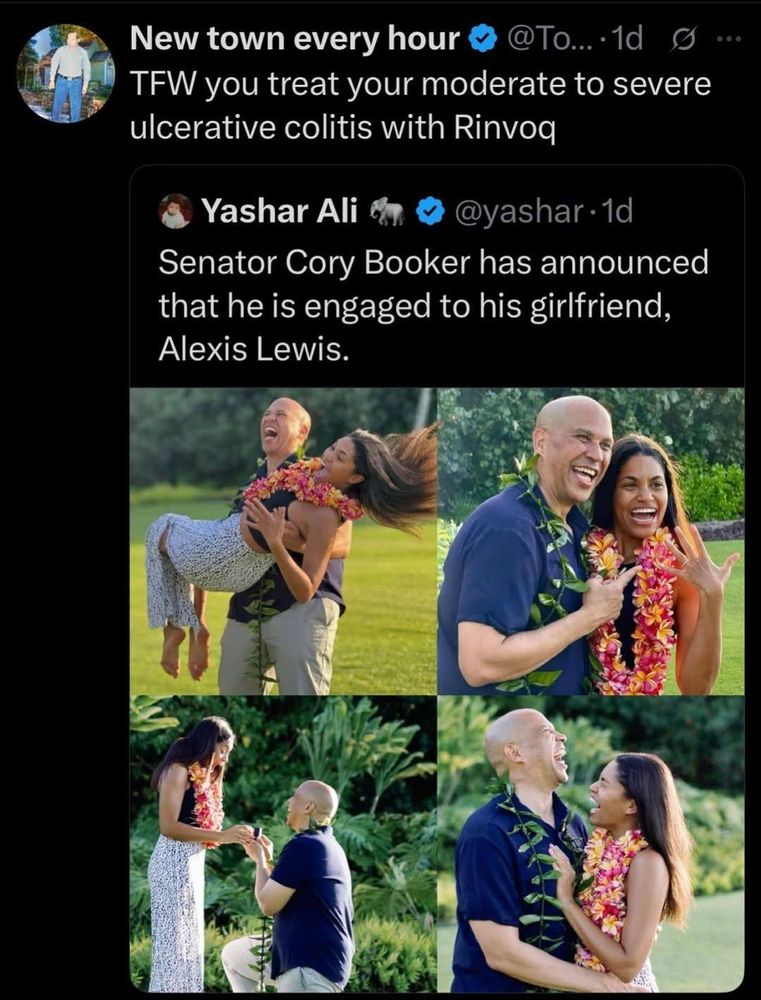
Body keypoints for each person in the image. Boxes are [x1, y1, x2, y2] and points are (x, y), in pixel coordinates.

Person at [147, 397, 437, 695]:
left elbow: (341, 542)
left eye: (281, 415)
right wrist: (199, 622)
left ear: (302, 433)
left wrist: (286, 542)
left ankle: (180, 627)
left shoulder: (324, 485)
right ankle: (182, 626)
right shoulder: (258, 481)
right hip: (248, 605)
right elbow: (214, 552)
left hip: (299, 609)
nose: (270, 418)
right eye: (268, 413)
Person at [438, 395, 638, 695]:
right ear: (540, 442)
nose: (597, 455)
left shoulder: (576, 527)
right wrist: (589, 617)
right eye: (583, 438)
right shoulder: (508, 527)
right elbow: (480, 663)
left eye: (606, 445)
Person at [452, 709, 643, 992]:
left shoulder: (574, 825)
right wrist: (607, 986)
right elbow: (501, 953)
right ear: (515, 753)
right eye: (547, 732)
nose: (562, 737)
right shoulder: (486, 833)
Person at [587, 435, 741, 694]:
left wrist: (712, 596)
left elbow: (696, 688)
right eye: (630, 485)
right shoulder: (581, 555)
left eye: (656, 485)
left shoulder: (678, 571)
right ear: (609, 493)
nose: (646, 496)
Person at [549, 753, 693, 991]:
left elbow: (627, 967)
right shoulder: (599, 849)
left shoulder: (648, 862)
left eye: (604, 783)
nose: (592, 787)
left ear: (632, 805)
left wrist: (567, 902)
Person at [146, 717, 256, 993]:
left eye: (228, 752)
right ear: (208, 744)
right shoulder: (177, 770)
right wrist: (224, 836)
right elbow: (168, 827)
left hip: (193, 863)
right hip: (171, 862)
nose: (225, 758)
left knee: (189, 945)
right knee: (172, 949)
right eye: (222, 750)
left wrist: (235, 836)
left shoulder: (207, 775)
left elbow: (205, 825)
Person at [221, 780, 354, 993]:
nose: (289, 802)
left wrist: (260, 861)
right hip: (311, 956)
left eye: (295, 797)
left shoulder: (304, 845)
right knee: (234, 956)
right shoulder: (326, 845)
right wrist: (265, 860)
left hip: (309, 966)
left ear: (308, 807)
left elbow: (267, 904)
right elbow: (283, 888)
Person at [49, 30, 91, 122]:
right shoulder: (61, 50)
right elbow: (54, 63)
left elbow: (87, 68)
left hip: (76, 82)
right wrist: (52, 79)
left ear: (77, 40)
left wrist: (85, 85)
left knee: (76, 107)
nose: (69, 41)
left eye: (72, 39)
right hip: (61, 81)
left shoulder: (83, 52)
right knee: (57, 105)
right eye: (68, 38)